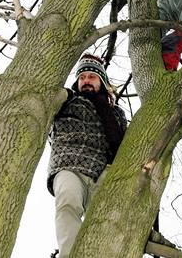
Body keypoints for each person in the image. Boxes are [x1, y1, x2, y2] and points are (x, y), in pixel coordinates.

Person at [47, 54, 127, 258]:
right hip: (69, 164)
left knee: (106, 221)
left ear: (102, 81)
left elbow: (124, 145)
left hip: (104, 171)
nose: (86, 81)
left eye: (92, 77)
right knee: (67, 201)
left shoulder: (116, 112)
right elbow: (47, 101)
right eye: (82, 77)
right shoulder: (68, 99)